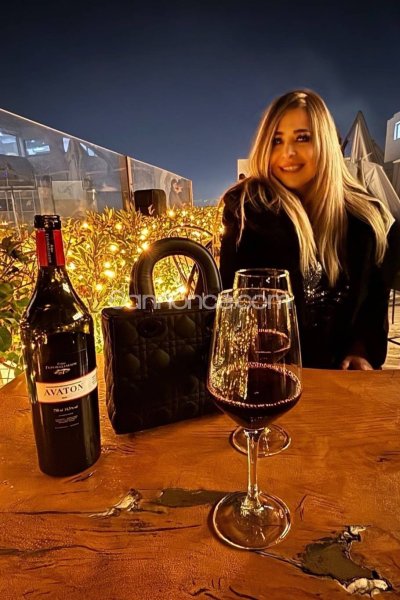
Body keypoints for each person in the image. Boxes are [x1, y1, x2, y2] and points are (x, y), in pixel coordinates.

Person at [219, 89, 400, 370]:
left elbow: (372, 307)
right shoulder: (249, 211)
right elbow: (232, 304)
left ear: (325, 143)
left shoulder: (366, 219)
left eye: (302, 138)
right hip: (270, 372)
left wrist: (361, 350)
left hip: (339, 378)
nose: (287, 153)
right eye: (276, 140)